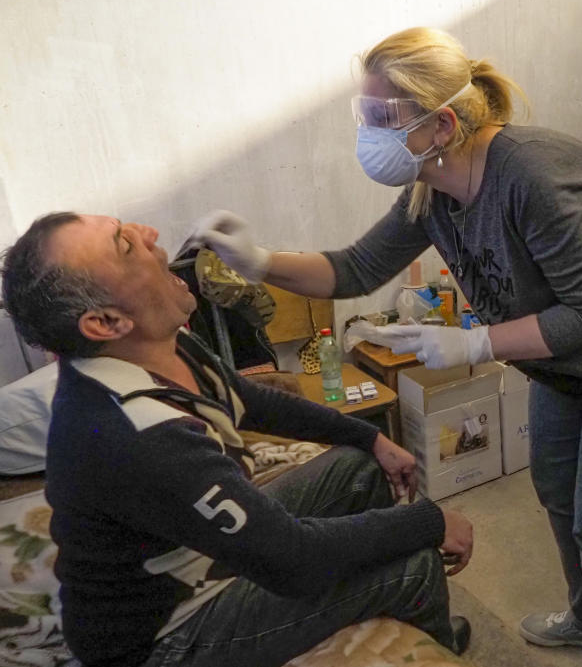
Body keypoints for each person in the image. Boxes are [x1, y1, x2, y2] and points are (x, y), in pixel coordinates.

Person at [192, 27, 582, 667]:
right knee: (556, 488)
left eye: (380, 116)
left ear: (440, 124)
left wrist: (473, 343)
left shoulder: (532, 176)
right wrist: (259, 260)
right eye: (364, 113)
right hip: (562, 357)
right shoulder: (430, 187)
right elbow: (353, 268)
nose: (367, 130)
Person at [0, 212, 473, 667]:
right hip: (161, 634)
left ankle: (398, 605)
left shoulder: (161, 347)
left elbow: (246, 398)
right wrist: (428, 522)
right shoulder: (140, 437)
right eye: (125, 244)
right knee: (415, 565)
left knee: (360, 468)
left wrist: (370, 437)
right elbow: (294, 559)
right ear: (105, 323)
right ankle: (434, 631)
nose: (148, 233)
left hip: (191, 560)